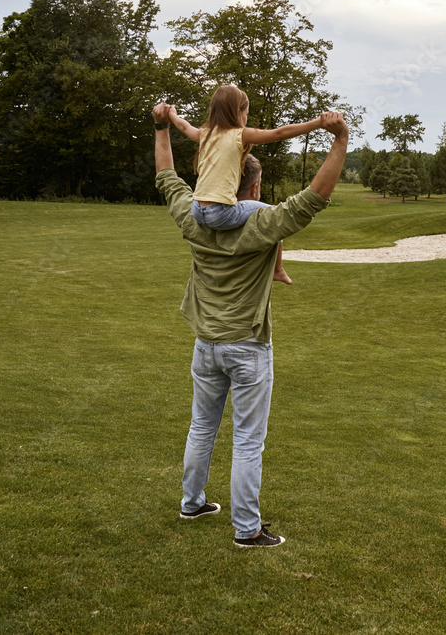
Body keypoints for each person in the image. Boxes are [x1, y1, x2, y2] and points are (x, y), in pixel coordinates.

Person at [152, 100, 349, 547]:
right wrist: (339, 139)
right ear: (254, 184)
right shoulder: (262, 224)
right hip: (248, 350)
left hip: (206, 346)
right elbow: (314, 198)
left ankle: (192, 503)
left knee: (202, 426)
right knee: (246, 441)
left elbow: (167, 178)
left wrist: (162, 128)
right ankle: (247, 530)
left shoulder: (193, 219)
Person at [168, 84, 330, 284]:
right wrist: (318, 123)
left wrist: (172, 114)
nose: (246, 117)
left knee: (248, 212)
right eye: (246, 112)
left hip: (196, 209)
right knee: (273, 214)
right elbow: (279, 133)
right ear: (238, 112)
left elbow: (184, 126)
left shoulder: (205, 133)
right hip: (219, 214)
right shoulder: (239, 135)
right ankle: (277, 270)